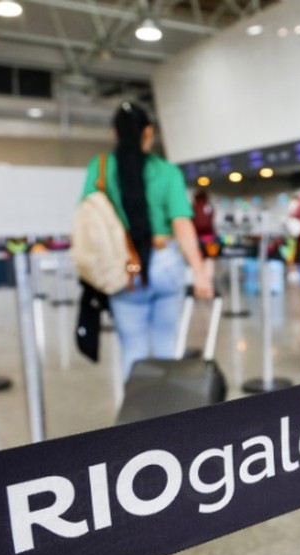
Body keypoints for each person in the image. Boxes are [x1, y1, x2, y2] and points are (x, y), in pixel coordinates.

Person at [81, 101, 213, 379]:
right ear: (149, 133)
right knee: (167, 346)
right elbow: (182, 224)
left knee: (133, 350)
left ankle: (135, 417)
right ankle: (168, 416)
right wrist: (200, 273)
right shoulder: (167, 172)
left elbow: (89, 219)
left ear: (115, 134)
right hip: (165, 262)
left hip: (125, 268)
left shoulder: (100, 167)